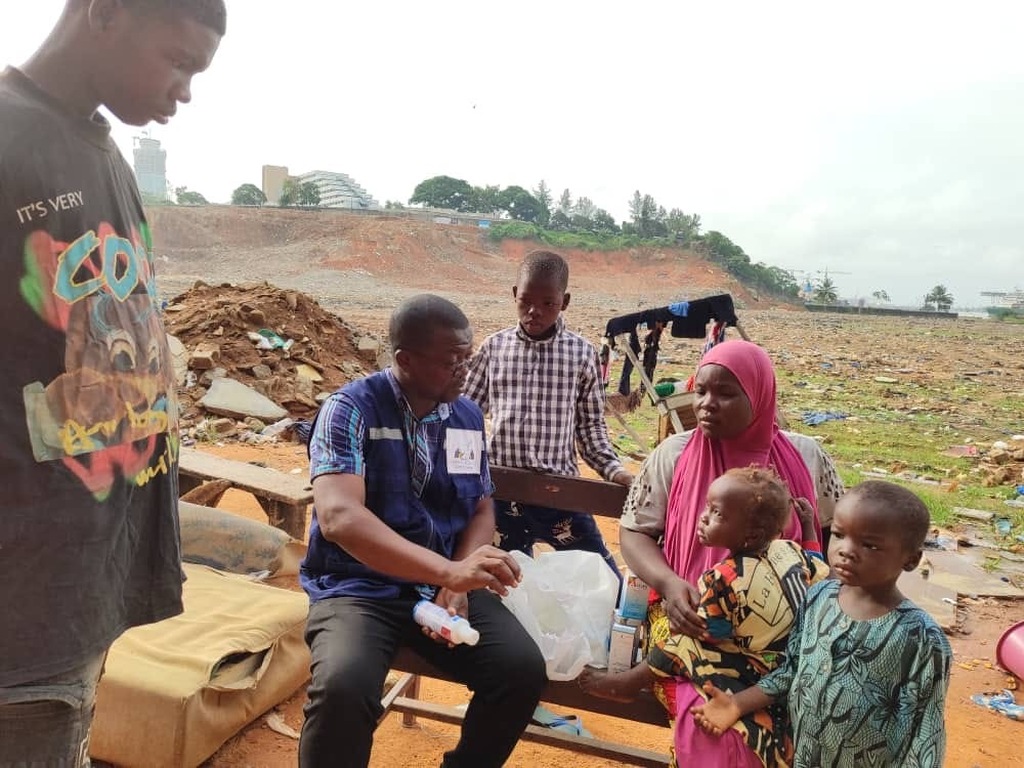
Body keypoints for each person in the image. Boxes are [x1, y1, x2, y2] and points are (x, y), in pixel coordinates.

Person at [0, 1, 224, 764]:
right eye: (179, 61)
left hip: (83, 579)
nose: (184, 91)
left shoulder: (105, 153)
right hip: (20, 602)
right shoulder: (6, 137)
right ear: (106, 13)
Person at [299, 294, 546, 768]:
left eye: (467, 357)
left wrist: (456, 583)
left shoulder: (467, 417)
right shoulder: (350, 409)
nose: (463, 369)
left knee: (519, 671)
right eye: (452, 359)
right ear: (405, 361)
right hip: (359, 588)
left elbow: (480, 508)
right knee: (342, 690)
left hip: (440, 586)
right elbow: (339, 518)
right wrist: (449, 572)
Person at [618, 339, 843, 767]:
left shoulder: (805, 456)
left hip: (785, 630)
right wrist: (669, 584)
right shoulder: (675, 454)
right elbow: (634, 533)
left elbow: (832, 538)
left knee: (818, 712)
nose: (707, 404)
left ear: (758, 397)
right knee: (717, 724)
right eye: (701, 391)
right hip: (693, 617)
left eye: (725, 393)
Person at [693, 481, 952, 767]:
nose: (846, 550)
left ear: (911, 559)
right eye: (839, 535)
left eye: (870, 545)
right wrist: (736, 704)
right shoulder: (818, 597)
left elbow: (927, 732)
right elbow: (791, 670)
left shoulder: (921, 636)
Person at [583, 467, 827, 767]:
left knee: (682, 642)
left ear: (749, 535)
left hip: (755, 667)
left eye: (717, 513)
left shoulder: (723, 578)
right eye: (707, 507)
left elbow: (712, 634)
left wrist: (684, 621)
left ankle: (628, 683)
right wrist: (810, 530)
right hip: (794, 656)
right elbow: (817, 564)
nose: (703, 516)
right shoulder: (790, 550)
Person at [463, 250, 632, 576]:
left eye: (547, 303)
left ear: (564, 301)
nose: (534, 311)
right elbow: (466, 415)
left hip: (561, 495)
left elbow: (590, 429)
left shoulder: (581, 354)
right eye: (525, 301)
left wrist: (615, 472)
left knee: (601, 574)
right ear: (514, 294)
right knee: (502, 581)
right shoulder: (494, 348)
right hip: (502, 492)